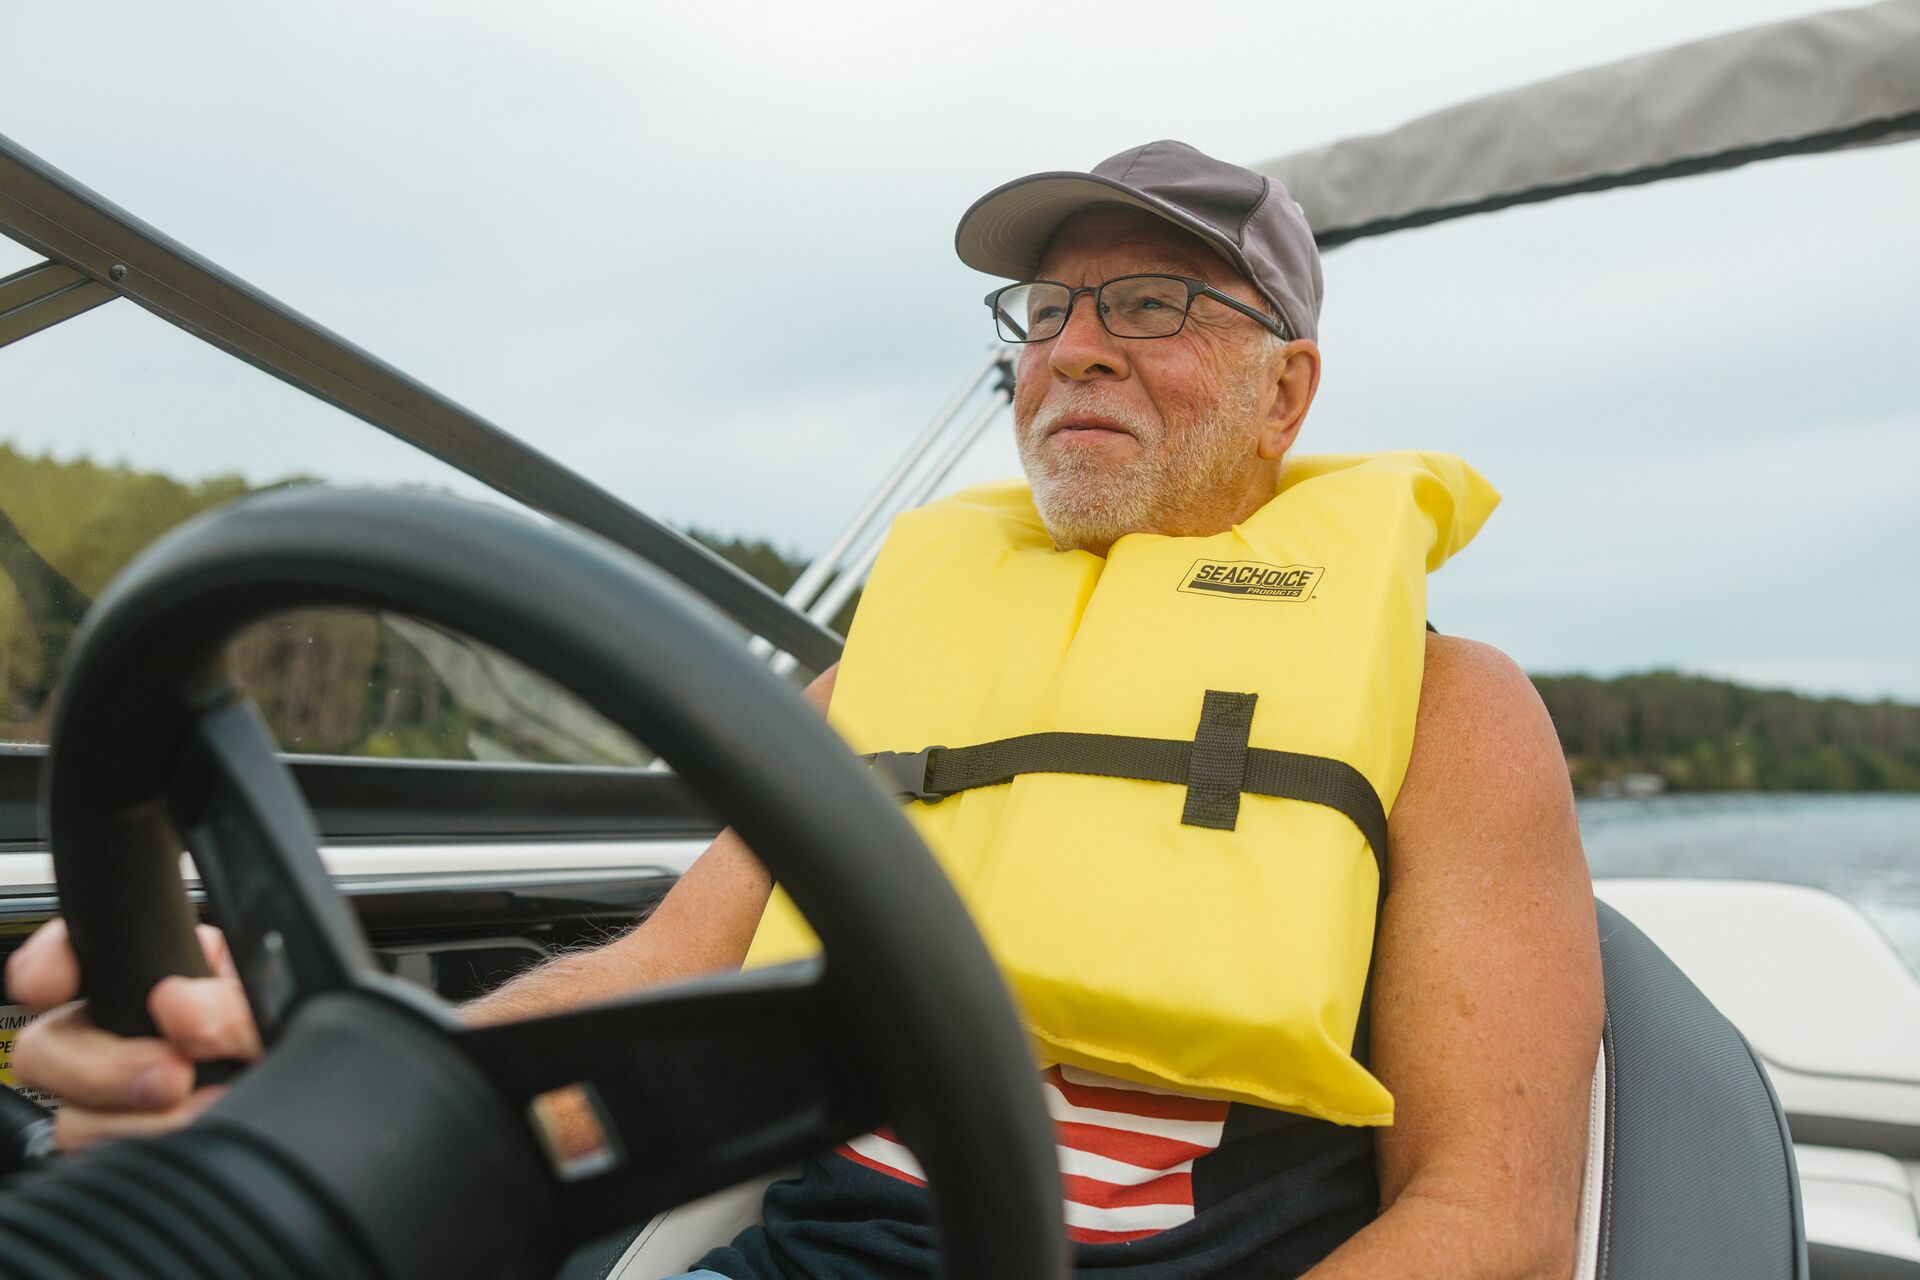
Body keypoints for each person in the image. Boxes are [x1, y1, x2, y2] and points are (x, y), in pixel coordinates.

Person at [7, 141, 1603, 1280]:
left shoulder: (1448, 708)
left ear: (1288, 389)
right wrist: (304, 1068)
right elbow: (656, 971)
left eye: (1154, 307)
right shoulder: (882, 672)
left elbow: (1491, 1223)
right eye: (1044, 316)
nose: (1075, 354)